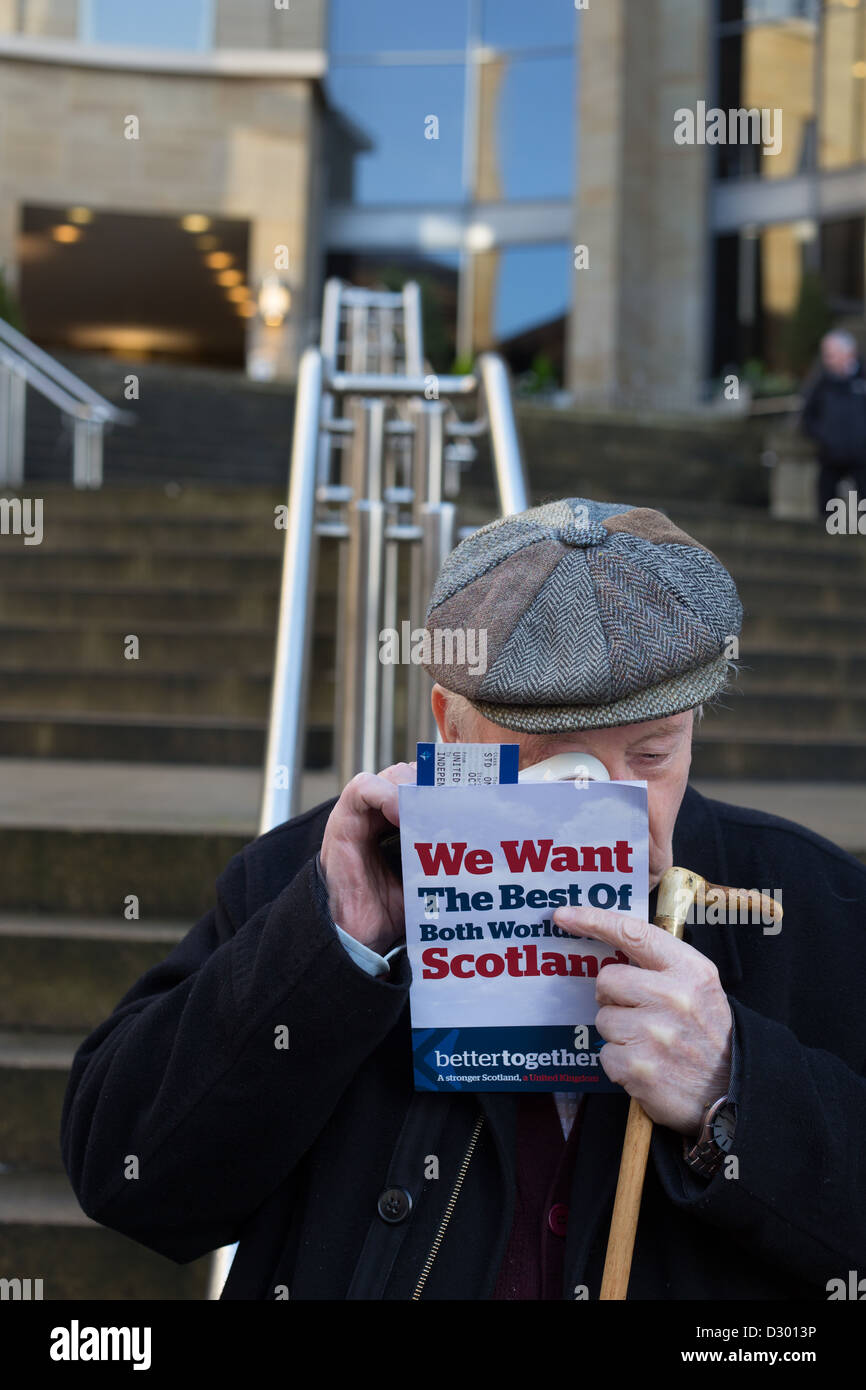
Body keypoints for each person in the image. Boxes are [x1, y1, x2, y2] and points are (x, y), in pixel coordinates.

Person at [60, 497, 866, 1300]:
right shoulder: (319, 871)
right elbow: (127, 1179)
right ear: (453, 727)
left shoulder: (809, 902)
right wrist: (330, 947)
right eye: (552, 765)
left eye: (652, 754)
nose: (614, 803)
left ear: (693, 724)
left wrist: (734, 1090)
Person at [801, 329, 866, 518]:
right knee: (825, 506)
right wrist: (823, 435)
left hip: (861, 457)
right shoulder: (821, 383)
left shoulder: (862, 378)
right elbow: (807, 416)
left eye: (831, 355)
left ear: (848, 353)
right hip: (830, 455)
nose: (827, 360)